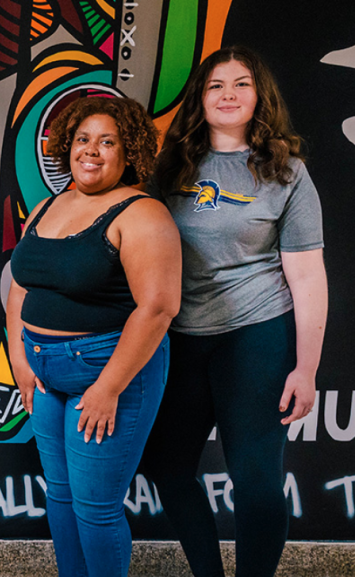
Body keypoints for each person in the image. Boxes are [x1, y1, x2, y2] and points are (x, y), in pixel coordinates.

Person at [141, 46, 328, 577]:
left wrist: (306, 368)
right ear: (200, 99)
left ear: (259, 96)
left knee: (256, 483)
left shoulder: (286, 172)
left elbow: (308, 276)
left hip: (255, 334)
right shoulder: (168, 167)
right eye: (215, 85)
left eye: (241, 83)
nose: (228, 94)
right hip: (178, 336)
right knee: (168, 468)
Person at [6, 96, 181, 577]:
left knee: (95, 507)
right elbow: (20, 287)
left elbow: (158, 307)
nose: (91, 150)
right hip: (44, 371)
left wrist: (108, 388)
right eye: (83, 139)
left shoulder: (142, 214)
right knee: (60, 497)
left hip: (107, 372)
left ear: (129, 152)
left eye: (108, 142)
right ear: (67, 146)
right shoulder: (46, 207)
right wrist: (19, 358)